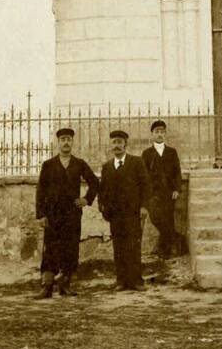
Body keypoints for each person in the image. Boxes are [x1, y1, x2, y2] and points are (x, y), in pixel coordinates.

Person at [35, 126, 99, 299]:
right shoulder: (48, 165)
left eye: (68, 140)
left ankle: (65, 285)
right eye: (63, 139)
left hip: (72, 214)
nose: (66, 143)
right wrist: (41, 214)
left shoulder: (79, 164)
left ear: (72, 142)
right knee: (50, 250)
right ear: (58, 142)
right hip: (53, 215)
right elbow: (41, 191)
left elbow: (94, 182)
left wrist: (86, 199)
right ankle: (46, 287)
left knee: (70, 249)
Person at [98, 129, 151, 291]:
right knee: (118, 247)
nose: (117, 146)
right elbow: (103, 189)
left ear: (125, 144)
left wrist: (143, 206)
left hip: (133, 213)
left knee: (133, 246)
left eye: (120, 142)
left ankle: (136, 281)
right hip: (115, 215)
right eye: (114, 142)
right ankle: (121, 281)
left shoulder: (136, 162)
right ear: (111, 145)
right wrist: (102, 207)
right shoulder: (107, 167)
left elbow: (146, 186)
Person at [141, 120, 183, 259]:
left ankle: (165, 251)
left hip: (169, 193)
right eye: (157, 132)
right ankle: (176, 238)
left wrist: (177, 189)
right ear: (152, 134)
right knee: (155, 218)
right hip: (153, 194)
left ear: (165, 134)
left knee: (168, 219)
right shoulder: (146, 153)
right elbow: (143, 174)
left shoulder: (171, 152)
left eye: (162, 132)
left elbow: (177, 171)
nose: (159, 134)